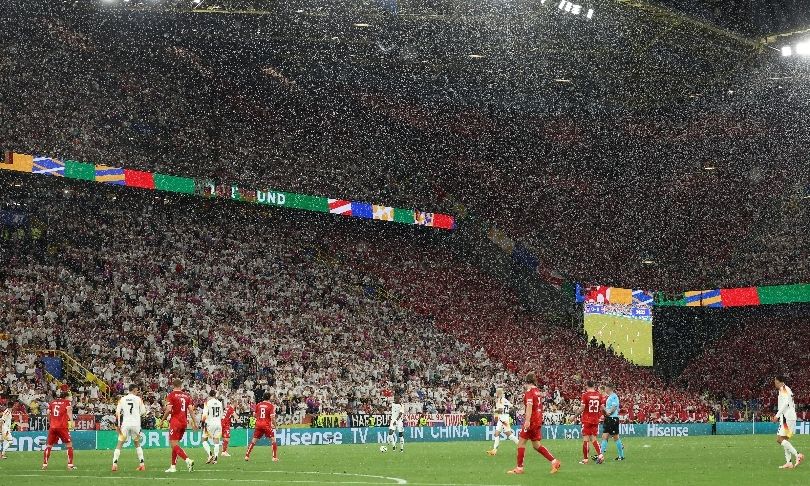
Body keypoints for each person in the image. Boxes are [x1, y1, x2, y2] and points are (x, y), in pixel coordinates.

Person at [506, 372, 561, 475]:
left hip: (531, 421)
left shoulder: (530, 392)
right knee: (536, 445)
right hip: (538, 419)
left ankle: (519, 468)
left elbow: (530, 406)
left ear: (526, 381)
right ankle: (554, 462)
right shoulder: (537, 391)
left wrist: (527, 420)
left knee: (521, 443)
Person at [162, 378, 197, 473]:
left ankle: (188, 460)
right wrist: (195, 422)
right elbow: (190, 410)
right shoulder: (186, 396)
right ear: (181, 386)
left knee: (173, 445)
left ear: (173, 385)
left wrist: (162, 419)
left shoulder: (171, 395)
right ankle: (173, 467)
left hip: (175, 422)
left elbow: (169, 409)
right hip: (184, 422)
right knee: (176, 444)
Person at [112, 384, 147, 472]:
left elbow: (117, 412)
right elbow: (143, 411)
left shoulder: (122, 399)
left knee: (119, 443)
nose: (137, 392)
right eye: (137, 391)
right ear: (134, 390)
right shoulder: (138, 399)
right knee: (137, 443)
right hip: (136, 424)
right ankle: (142, 464)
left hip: (126, 424)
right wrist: (136, 414)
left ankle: (114, 464)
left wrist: (118, 425)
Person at [772, 376, 804, 469]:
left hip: (787, 418)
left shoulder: (783, 389)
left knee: (779, 439)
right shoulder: (787, 389)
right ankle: (789, 462)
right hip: (790, 417)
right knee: (785, 439)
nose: (775, 383)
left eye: (775, 381)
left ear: (780, 382)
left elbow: (786, 403)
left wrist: (777, 416)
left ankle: (797, 455)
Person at [42, 390, 76, 470]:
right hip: (62, 427)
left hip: (53, 427)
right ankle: (70, 465)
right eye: (69, 396)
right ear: (66, 397)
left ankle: (45, 464)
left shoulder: (52, 402)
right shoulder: (67, 402)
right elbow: (69, 411)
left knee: (49, 446)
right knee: (69, 445)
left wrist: (50, 421)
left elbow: (47, 413)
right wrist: (72, 421)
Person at [245, 391, 278, 462]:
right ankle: (274, 457)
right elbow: (272, 417)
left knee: (253, 440)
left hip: (258, 424)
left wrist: (260, 418)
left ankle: (247, 456)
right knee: (273, 440)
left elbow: (254, 414)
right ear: (269, 398)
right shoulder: (270, 406)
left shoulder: (259, 404)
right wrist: (275, 426)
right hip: (266, 425)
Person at [576, 381, 603, 465]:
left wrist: (574, 416)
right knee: (594, 439)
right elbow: (601, 407)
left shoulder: (585, 395)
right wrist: (606, 414)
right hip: (595, 419)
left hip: (587, 419)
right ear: (594, 386)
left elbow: (582, 408)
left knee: (586, 440)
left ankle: (585, 459)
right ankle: (601, 455)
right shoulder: (599, 395)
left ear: (586, 386)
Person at [487, 387, 518, 455]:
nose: (496, 394)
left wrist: (494, 411)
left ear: (498, 393)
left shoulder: (500, 400)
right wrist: (508, 411)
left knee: (509, 435)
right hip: (502, 418)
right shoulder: (505, 400)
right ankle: (494, 450)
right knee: (496, 433)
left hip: (504, 419)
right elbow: (513, 407)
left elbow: (500, 410)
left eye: (497, 393)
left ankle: (520, 445)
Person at [599, 383, 625, 461]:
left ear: (609, 388)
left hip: (612, 419)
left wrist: (608, 412)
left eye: (606, 388)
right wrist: (605, 411)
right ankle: (601, 455)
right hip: (609, 419)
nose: (605, 389)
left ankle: (620, 455)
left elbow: (614, 407)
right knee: (606, 437)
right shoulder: (610, 397)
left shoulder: (614, 396)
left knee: (613, 437)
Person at [201, 390, 224, 464]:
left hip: (210, 423)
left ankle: (210, 455)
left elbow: (204, 414)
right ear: (215, 395)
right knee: (216, 440)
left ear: (209, 395)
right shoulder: (220, 403)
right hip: (218, 423)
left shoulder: (207, 403)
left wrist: (202, 422)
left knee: (204, 439)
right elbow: (221, 415)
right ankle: (216, 457)